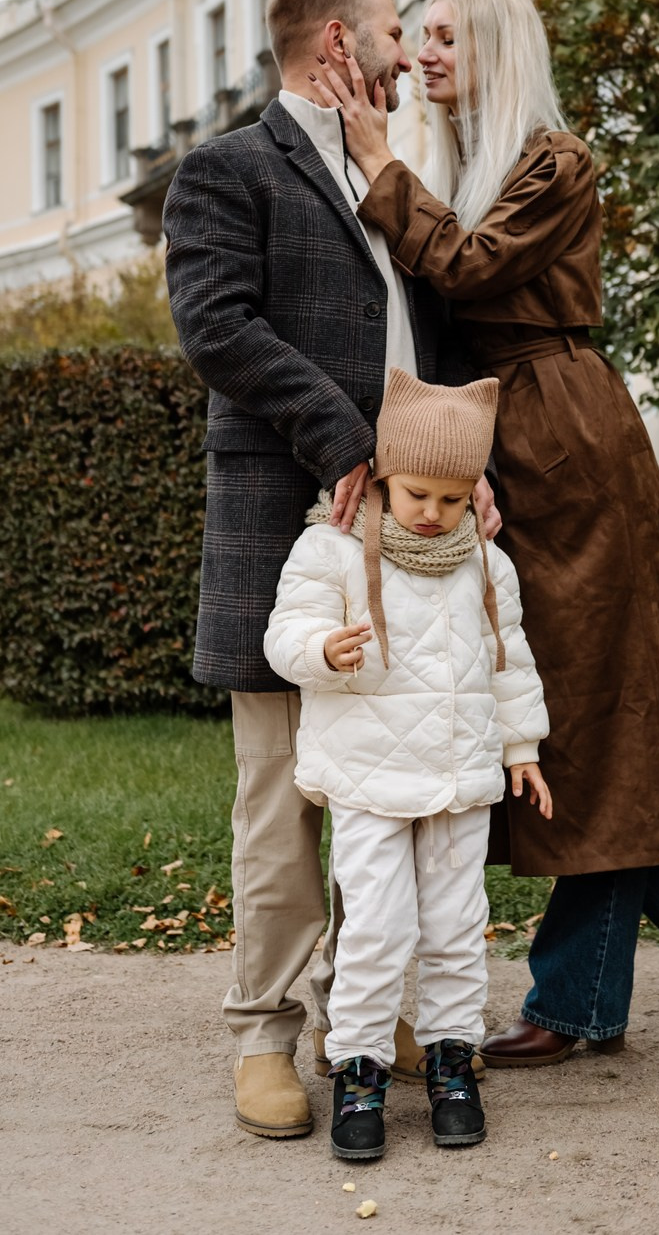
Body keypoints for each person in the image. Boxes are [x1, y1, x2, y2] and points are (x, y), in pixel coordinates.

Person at [305, 0, 659, 1065]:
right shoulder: (468, 163)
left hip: (567, 444)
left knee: (584, 722)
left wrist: (377, 160)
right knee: (561, 724)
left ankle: (581, 999)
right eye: (416, 37)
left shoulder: (552, 161)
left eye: (444, 38)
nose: (424, 54)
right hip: (499, 440)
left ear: (495, 48)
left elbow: (466, 268)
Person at [163, 0, 498, 1140]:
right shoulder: (228, 168)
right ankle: (265, 1030)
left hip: (413, 530)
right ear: (335, 43)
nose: (410, 56)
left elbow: (439, 343)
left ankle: (364, 1010)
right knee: (280, 793)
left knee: (393, 781)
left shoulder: (398, 178)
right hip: (282, 516)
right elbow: (217, 324)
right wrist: (346, 438)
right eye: (397, 33)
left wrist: (460, 465)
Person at [264, 368, 550, 1160]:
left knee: (458, 927)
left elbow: (509, 658)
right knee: (377, 929)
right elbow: (285, 633)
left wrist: (521, 747)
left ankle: (453, 1059)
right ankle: (361, 1069)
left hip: (459, 778)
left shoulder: (487, 565)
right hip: (368, 777)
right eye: (419, 494)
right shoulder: (330, 549)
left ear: (473, 496)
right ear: (384, 475)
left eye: (453, 500)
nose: (433, 514)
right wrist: (321, 649)